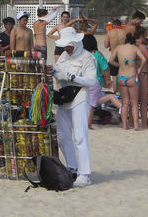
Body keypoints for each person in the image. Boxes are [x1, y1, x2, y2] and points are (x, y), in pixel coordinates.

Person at [53, 27, 97, 187]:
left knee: (80, 136)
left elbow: (92, 81)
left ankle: (85, 173)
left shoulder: (87, 58)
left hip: (79, 97)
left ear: (75, 42)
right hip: (64, 96)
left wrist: (73, 77)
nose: (66, 48)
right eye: (64, 45)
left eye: (68, 45)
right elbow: (57, 70)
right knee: (62, 136)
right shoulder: (64, 56)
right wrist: (55, 73)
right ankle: (72, 167)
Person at [109, 33, 146, 131]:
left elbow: (111, 61)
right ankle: (136, 126)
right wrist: (139, 69)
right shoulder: (134, 48)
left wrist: (119, 65)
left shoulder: (119, 48)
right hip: (132, 77)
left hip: (121, 77)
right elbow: (144, 59)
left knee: (125, 103)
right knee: (134, 103)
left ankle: (125, 126)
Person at [82, 34, 113, 130]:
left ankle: (82, 123)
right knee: (91, 104)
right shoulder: (98, 56)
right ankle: (88, 125)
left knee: (83, 103)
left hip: (82, 81)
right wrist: (108, 80)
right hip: (95, 82)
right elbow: (106, 69)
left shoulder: (82, 55)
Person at [104, 19, 128, 92]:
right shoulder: (125, 32)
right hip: (124, 56)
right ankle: (123, 93)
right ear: (120, 25)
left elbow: (106, 45)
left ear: (113, 25)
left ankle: (115, 92)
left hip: (114, 57)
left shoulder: (110, 33)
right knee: (124, 76)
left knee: (114, 78)